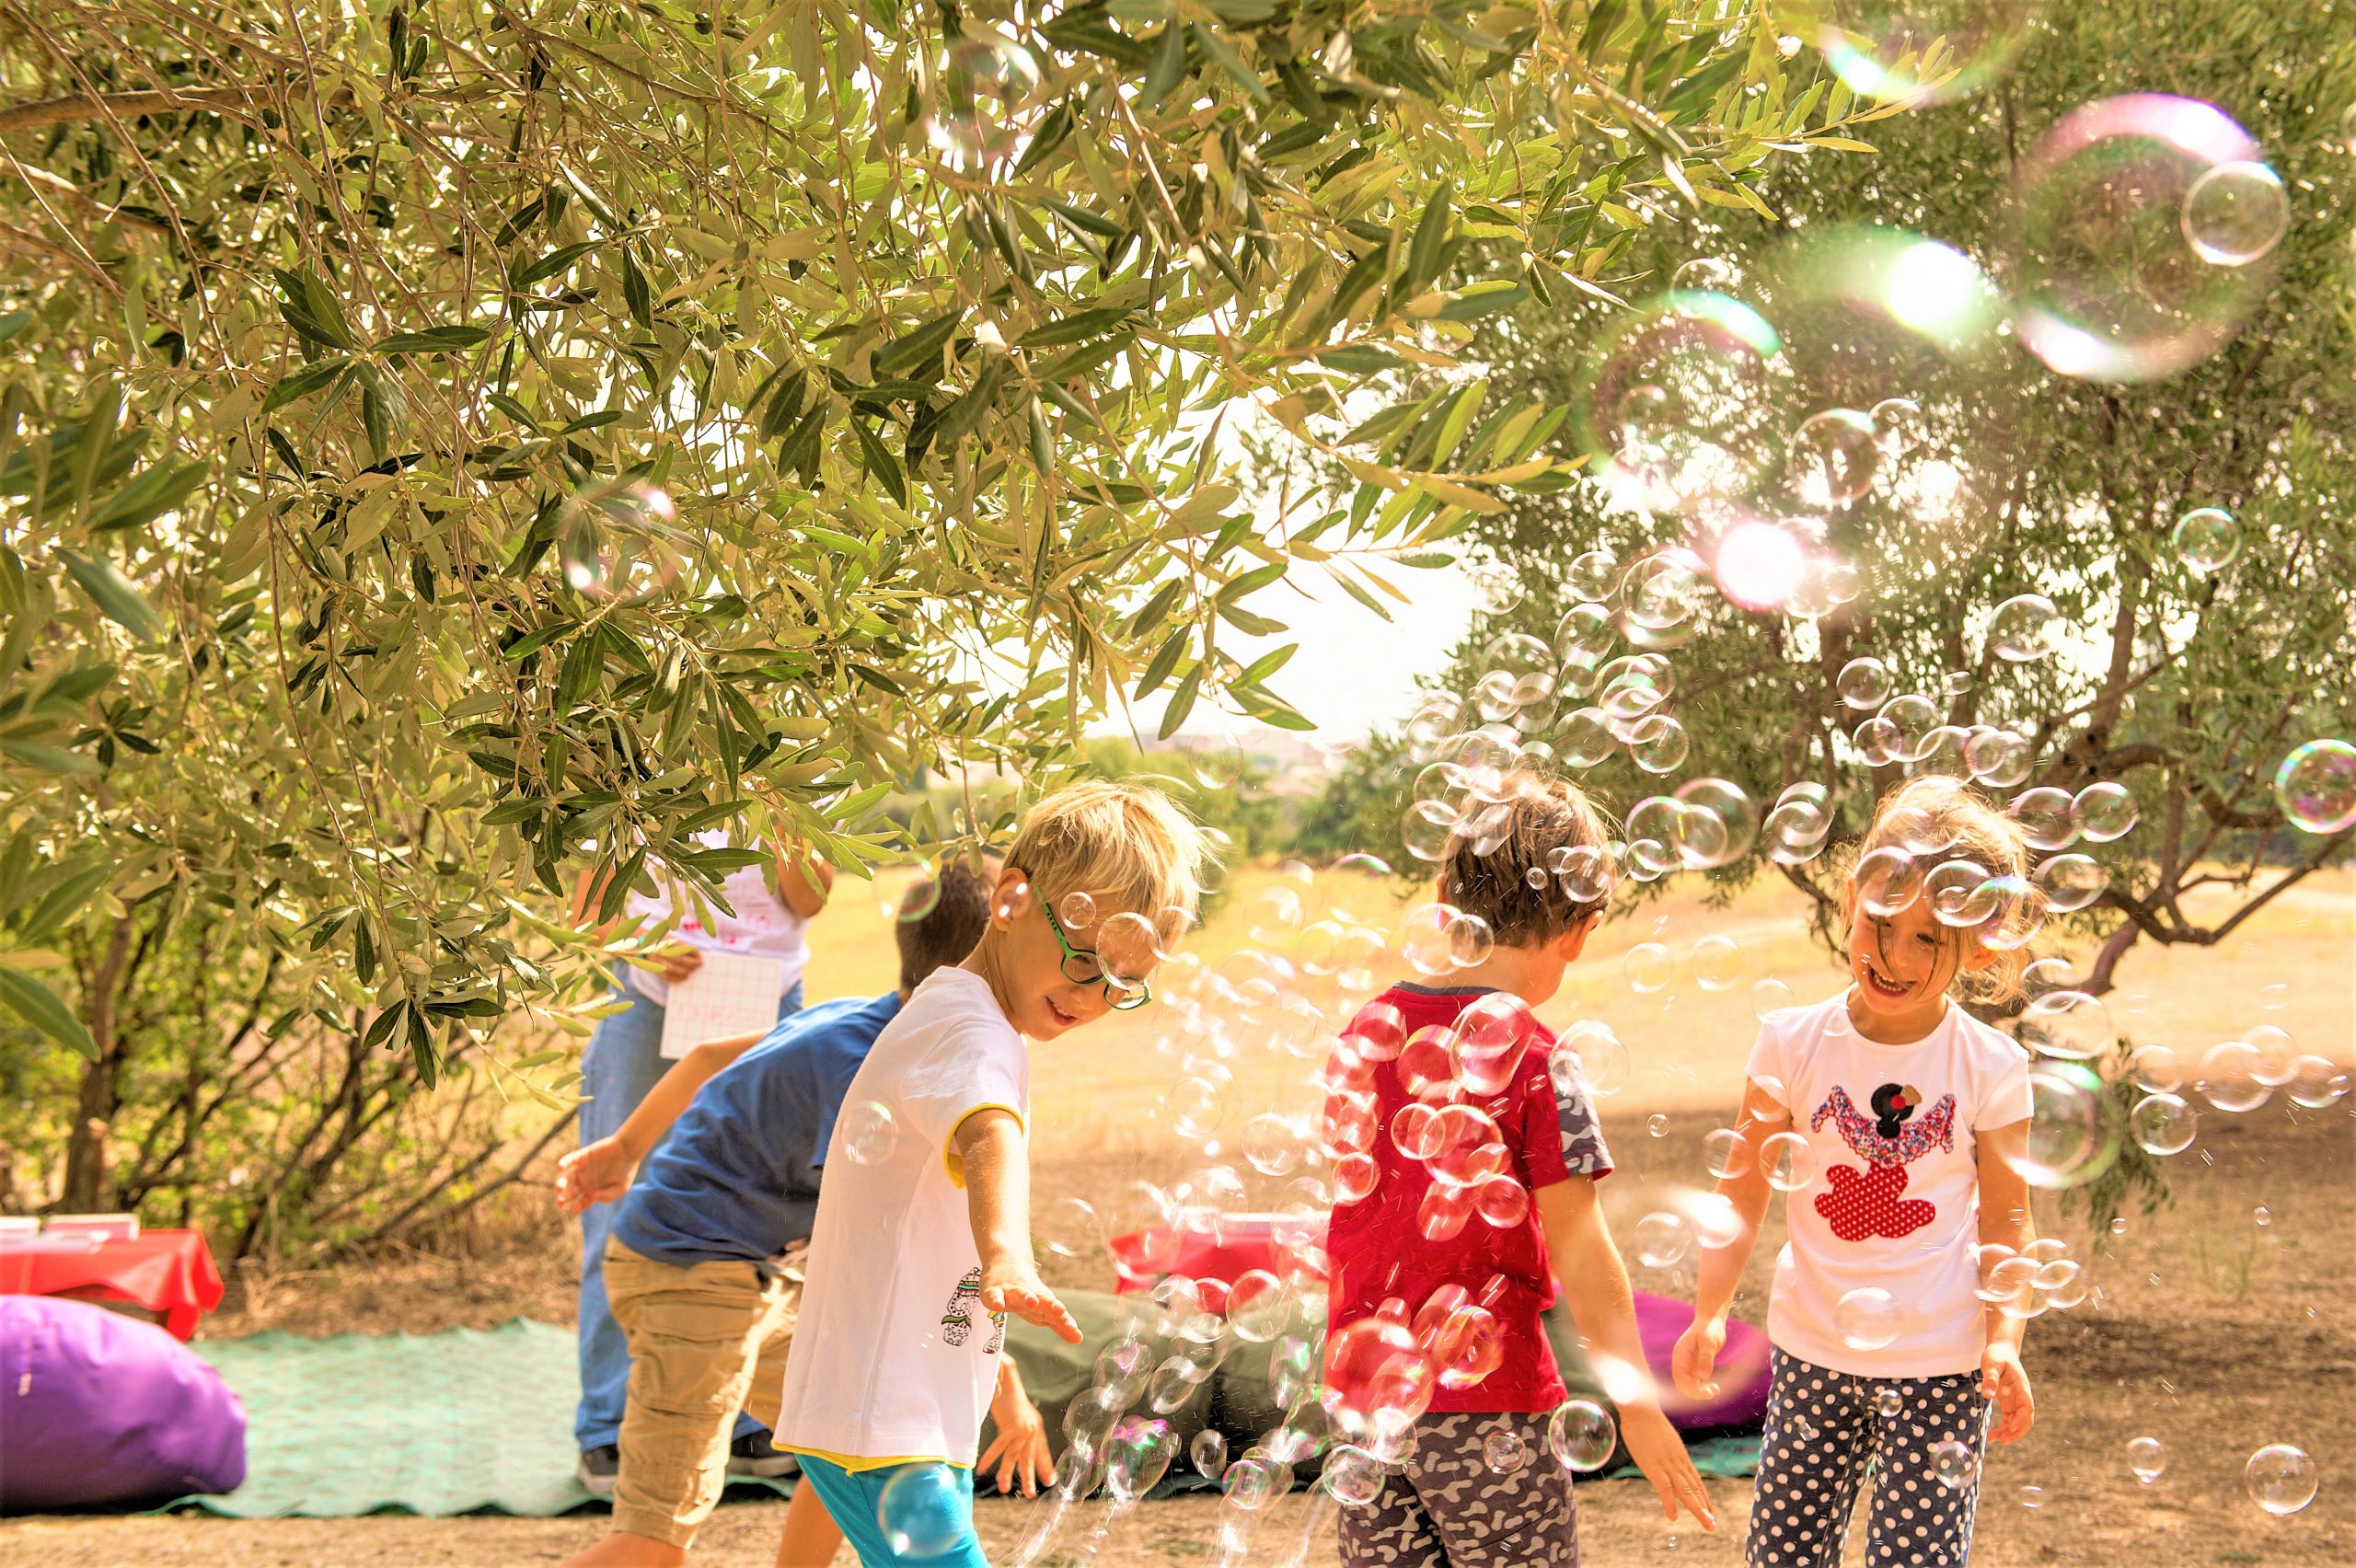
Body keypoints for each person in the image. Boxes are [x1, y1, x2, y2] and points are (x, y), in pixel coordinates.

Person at [550, 864, 1055, 1568]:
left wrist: (627, 1149)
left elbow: (705, 1056)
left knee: (849, 1430)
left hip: (743, 1265)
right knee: (653, 1542)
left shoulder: (866, 1018)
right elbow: (914, 1271)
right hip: (692, 1271)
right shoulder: (888, 1070)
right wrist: (1011, 1395)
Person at [772, 780, 1211, 1568]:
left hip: (897, 1410)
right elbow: (986, 1135)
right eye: (1084, 961)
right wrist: (1007, 1253)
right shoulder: (966, 1027)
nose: (1094, 996)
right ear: (1010, 900)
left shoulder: (964, 1015)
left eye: (1124, 984)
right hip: (886, 1414)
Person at [1322, 772, 1716, 1566]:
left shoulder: (1366, 1030)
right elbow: (1580, 1244)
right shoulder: (1540, 1058)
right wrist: (1636, 1405)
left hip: (1363, 1395)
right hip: (1488, 1408)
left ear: (1447, 891)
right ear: (1578, 928)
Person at [1674, 775, 2039, 1567]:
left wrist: (2004, 1339)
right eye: (1881, 923)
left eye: (1928, 939)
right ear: (1851, 900)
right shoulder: (1790, 1043)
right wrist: (1709, 1311)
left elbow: (2008, 1220)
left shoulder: (1992, 1067)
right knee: (1783, 1557)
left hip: (1942, 1366)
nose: (1894, 956)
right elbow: (1742, 1185)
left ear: (1977, 945)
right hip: (1811, 1351)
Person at [569, 835, 835, 1492]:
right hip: (648, 1005)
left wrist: (783, 818)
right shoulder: (630, 753)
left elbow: (811, 896)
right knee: (617, 1209)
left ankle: (749, 1416)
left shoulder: (794, 756)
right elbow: (586, 906)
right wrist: (638, 944)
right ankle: (608, 1424)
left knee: (763, 1216)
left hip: (768, 1006)